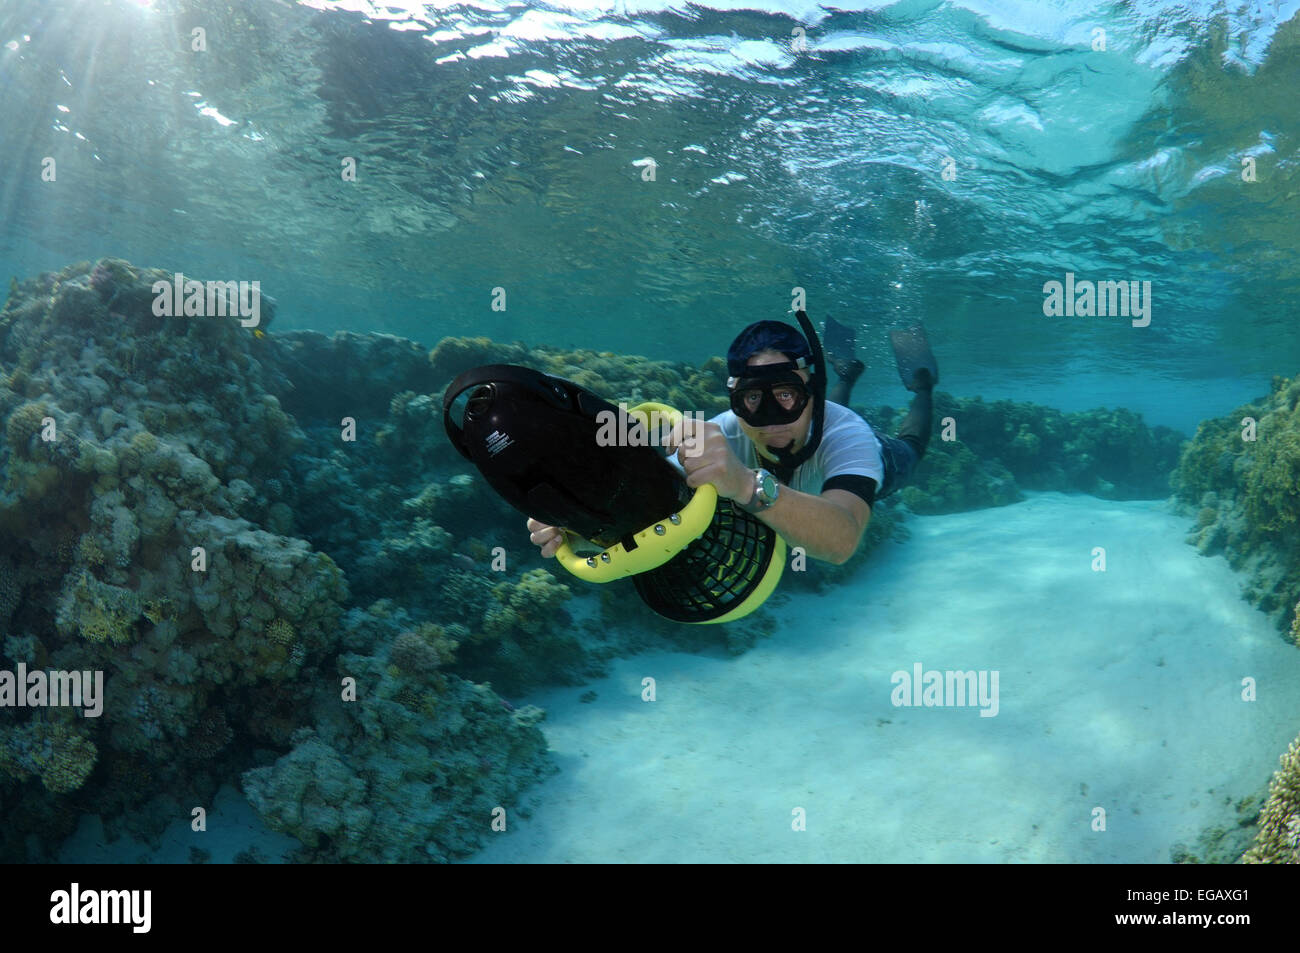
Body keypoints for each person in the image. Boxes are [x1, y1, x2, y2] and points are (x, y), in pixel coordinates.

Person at [527, 317, 938, 565]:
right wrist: (576, 523)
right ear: (734, 403)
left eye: (787, 396)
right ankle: (845, 372)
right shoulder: (722, 433)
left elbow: (842, 541)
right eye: (755, 400)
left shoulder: (849, 436)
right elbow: (643, 501)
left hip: (883, 452)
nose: (773, 421)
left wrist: (745, 484)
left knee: (913, 449)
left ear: (809, 394)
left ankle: (922, 385)